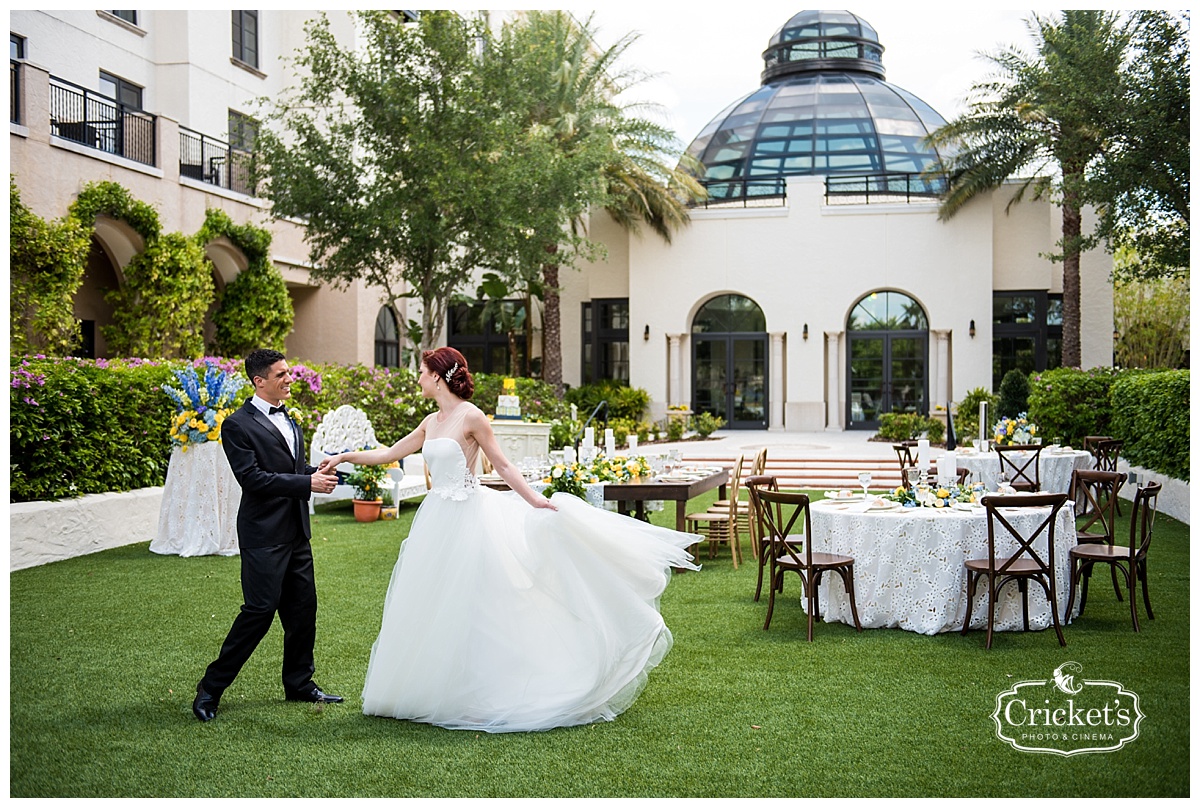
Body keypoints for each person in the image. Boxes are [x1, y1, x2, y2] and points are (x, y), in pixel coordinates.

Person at [319, 347, 698, 733]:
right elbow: (390, 453)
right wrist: (343, 456)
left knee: (478, 603)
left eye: (420, 372)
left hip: (468, 518)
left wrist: (536, 500)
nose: (416, 378)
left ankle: (482, 694)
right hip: (436, 522)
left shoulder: (472, 417)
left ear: (437, 376)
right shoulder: (431, 421)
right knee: (434, 602)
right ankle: (435, 689)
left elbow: (501, 464)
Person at [192, 349, 343, 722]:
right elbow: (253, 480)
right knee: (258, 612)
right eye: (281, 375)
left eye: (289, 372)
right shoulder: (237, 425)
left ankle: (299, 684)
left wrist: (315, 471)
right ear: (259, 381)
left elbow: (286, 469)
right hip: (263, 534)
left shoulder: (291, 419)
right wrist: (306, 482)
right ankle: (210, 688)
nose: (290, 379)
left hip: (296, 533)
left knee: (303, 610)